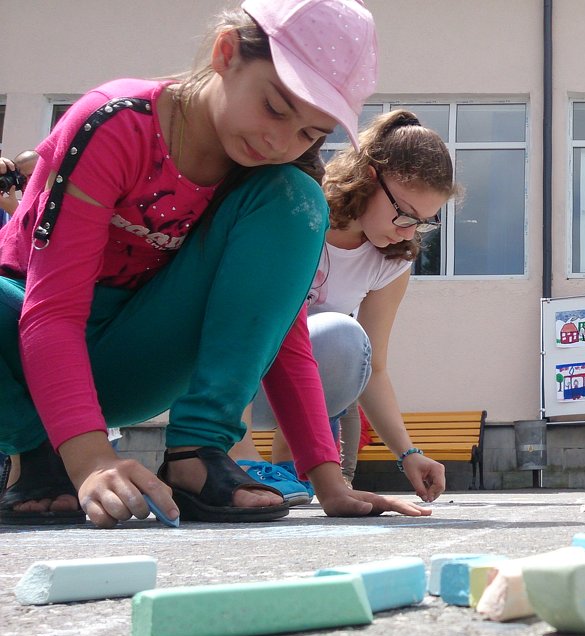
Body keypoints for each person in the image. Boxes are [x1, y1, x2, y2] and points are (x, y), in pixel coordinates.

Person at [0, 0, 430, 528]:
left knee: (296, 196)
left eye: (309, 133)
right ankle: (39, 453)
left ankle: (198, 453)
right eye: (274, 107)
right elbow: (51, 311)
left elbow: (281, 329)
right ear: (227, 53)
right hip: (21, 349)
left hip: (129, 359)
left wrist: (328, 479)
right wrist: (91, 458)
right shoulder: (114, 123)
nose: (279, 141)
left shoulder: (266, 180)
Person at [227, 109, 454, 505]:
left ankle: (288, 469)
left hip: (290, 391)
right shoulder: (299, 210)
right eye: (403, 214)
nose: (408, 231)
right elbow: (238, 317)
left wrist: (409, 453)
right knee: (262, 318)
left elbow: (374, 368)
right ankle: (237, 457)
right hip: (226, 379)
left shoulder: (391, 261)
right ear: (370, 178)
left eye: (422, 222)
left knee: (344, 338)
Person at [0, 150, 38, 225]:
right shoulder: (6, 208)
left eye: (33, 176)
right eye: (22, 179)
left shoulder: (60, 213)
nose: (27, 183)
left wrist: (16, 213)